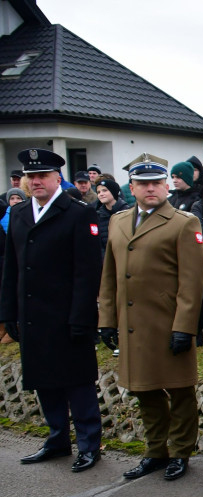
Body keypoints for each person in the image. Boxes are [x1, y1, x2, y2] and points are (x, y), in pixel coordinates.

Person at [98, 153, 203, 481]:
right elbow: (109, 275)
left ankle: (181, 451)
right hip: (133, 326)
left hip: (168, 323)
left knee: (180, 390)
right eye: (143, 183)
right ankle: (155, 450)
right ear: (132, 187)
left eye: (157, 183)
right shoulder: (118, 221)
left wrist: (184, 327)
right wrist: (106, 319)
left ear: (166, 186)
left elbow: (192, 280)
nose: (151, 189)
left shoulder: (184, 223)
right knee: (144, 390)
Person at [0, 148, 104, 473]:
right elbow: (11, 268)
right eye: (31, 176)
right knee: (45, 381)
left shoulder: (77, 212)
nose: (36, 182)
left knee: (78, 382)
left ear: (57, 177)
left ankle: (89, 445)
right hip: (33, 315)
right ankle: (58, 438)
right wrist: (8, 313)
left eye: (42, 175)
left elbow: (88, 273)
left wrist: (82, 318)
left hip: (68, 316)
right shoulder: (18, 215)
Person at [94, 178, 127, 254]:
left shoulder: (126, 212)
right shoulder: (98, 215)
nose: (101, 194)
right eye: (98, 192)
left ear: (113, 191)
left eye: (105, 190)